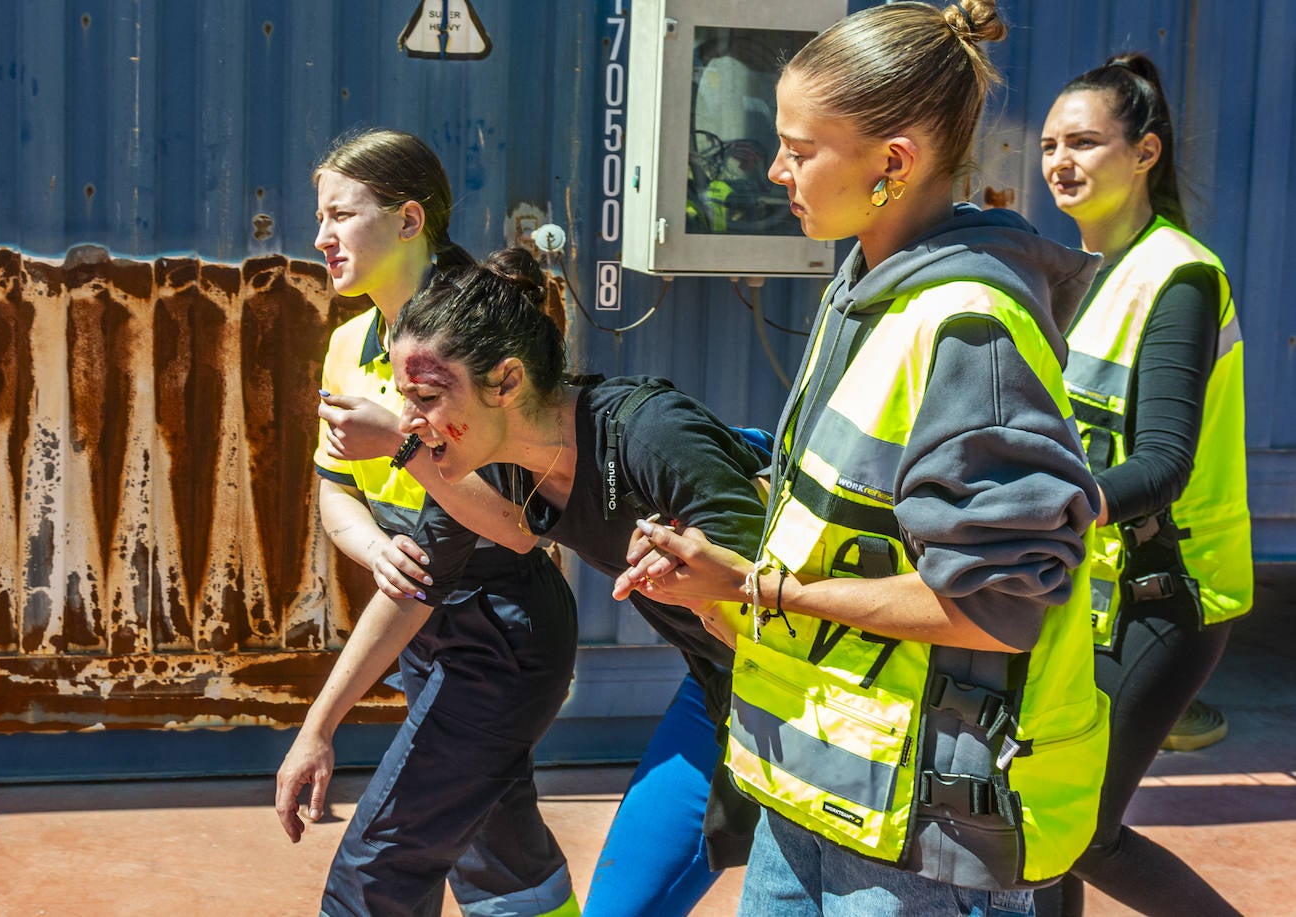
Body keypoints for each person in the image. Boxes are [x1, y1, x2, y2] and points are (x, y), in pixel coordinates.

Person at [613, 1, 1112, 913]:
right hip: (812, 793)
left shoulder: (969, 327)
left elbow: (997, 610)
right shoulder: (867, 286)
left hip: (919, 841)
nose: (776, 170)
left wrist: (757, 590)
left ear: (894, 161)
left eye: (801, 150)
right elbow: (859, 515)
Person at [346, 244, 773, 916]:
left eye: (426, 397)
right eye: (405, 399)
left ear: (507, 380)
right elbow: (416, 587)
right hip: (723, 689)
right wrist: (317, 728)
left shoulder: (648, 435)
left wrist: (703, 584)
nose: (410, 422)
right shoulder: (503, 467)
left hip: (816, 703)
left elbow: (784, 611)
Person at [273, 129, 580, 917]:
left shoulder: (475, 343)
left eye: (341, 213)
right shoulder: (350, 343)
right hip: (427, 628)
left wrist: (318, 724)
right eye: (319, 215)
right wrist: (378, 547)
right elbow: (337, 487)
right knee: (497, 852)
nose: (321, 235)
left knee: (377, 867)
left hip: (499, 634)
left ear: (409, 220)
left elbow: (516, 529)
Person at [1033, 53, 1251, 917]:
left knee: (1079, 829)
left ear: (1146, 152)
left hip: (1165, 597)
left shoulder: (1180, 278)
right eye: (1051, 144)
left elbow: (1162, 465)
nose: (1060, 162)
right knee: (1039, 819)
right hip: (1084, 591)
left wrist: (1043, 507)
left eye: (1085, 141)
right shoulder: (1076, 273)